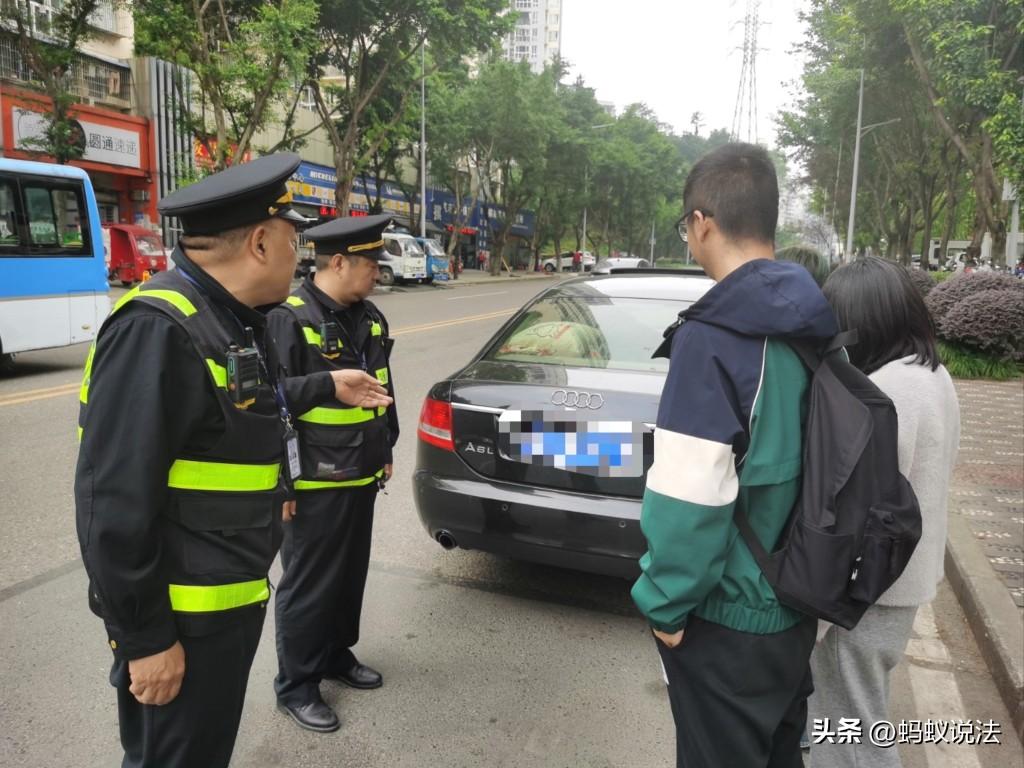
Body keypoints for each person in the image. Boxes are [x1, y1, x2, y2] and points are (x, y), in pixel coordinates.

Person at [74, 153, 392, 768]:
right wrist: (146, 639)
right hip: (181, 619)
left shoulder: (227, 320)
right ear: (260, 241)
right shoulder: (157, 328)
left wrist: (328, 385)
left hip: (225, 599)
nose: (302, 254)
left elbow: (234, 411)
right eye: (295, 238)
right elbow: (110, 503)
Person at [631, 142, 839, 768]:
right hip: (797, 601)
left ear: (703, 222)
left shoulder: (714, 338)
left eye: (686, 229)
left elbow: (688, 497)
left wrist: (665, 603)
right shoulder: (817, 324)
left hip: (729, 617)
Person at [810, 256, 960, 768]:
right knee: (853, 718)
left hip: (870, 590)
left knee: (850, 731)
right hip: (903, 580)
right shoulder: (932, 375)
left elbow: (860, 505)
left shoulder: (890, 391)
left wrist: (823, 607)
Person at [269, 214, 399, 733]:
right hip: (313, 482)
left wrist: (385, 443)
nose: (378, 274)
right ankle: (296, 685)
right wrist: (280, 480)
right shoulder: (289, 317)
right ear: (338, 262)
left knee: (349, 575)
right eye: (370, 264)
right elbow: (268, 402)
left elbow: (383, 384)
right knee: (308, 583)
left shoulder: (368, 317)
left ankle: (335, 654)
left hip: (360, 472)